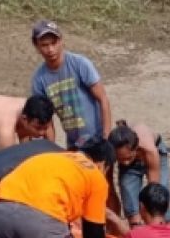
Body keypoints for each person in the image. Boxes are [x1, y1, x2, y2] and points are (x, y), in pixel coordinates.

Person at [29, 20, 112, 150]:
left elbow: (103, 99)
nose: (50, 49)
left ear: (61, 41)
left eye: (54, 43)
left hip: (97, 138)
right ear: (36, 46)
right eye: (44, 45)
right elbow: (47, 121)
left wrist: (106, 138)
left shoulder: (80, 64)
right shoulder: (39, 80)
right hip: (74, 143)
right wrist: (51, 150)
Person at [107, 121, 170, 225]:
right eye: (120, 159)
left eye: (128, 158)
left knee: (161, 200)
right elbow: (109, 188)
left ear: (136, 149)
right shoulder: (109, 151)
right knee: (129, 200)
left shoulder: (149, 149)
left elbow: (154, 192)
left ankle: (167, 229)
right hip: (131, 157)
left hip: (155, 153)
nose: (125, 163)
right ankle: (137, 231)